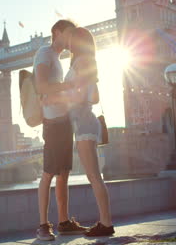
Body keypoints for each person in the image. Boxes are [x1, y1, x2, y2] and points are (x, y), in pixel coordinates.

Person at [44, 27, 115, 236]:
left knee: (94, 176)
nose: (68, 41)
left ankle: (106, 224)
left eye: (72, 37)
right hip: (85, 122)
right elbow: (93, 96)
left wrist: (54, 98)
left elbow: (82, 96)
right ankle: (105, 222)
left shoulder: (82, 61)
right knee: (94, 175)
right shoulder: (84, 61)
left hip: (84, 124)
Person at [33, 20, 88, 241]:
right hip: (53, 122)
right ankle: (43, 226)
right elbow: (42, 86)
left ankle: (64, 222)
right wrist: (69, 87)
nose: (71, 38)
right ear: (56, 32)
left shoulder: (58, 59)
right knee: (48, 173)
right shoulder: (44, 53)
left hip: (64, 120)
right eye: (69, 33)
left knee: (64, 173)